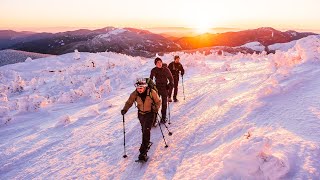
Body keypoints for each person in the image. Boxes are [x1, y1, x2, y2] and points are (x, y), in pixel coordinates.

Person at [121, 78, 161, 161]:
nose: (139, 90)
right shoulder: (135, 93)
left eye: (141, 88)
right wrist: (125, 109)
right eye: (138, 88)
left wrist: (156, 109)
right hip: (141, 114)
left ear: (145, 87)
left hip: (150, 113)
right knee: (144, 129)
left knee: (146, 130)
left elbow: (158, 101)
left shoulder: (151, 92)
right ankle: (146, 142)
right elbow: (129, 102)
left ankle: (143, 153)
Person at [150, 57, 174, 123]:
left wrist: (169, 86)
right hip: (157, 89)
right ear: (155, 64)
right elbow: (150, 80)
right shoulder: (153, 70)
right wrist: (152, 87)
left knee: (164, 104)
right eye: (158, 62)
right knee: (156, 104)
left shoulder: (166, 69)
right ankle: (154, 119)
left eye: (160, 62)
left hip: (164, 88)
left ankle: (163, 118)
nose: (159, 64)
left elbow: (171, 79)